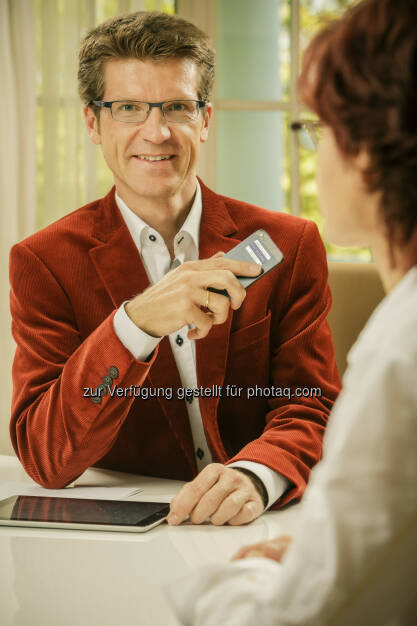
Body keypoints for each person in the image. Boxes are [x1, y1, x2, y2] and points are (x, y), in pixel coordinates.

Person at [9, 11, 340, 527]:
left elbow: (311, 405)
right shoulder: (44, 262)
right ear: (93, 123)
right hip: (126, 543)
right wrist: (134, 325)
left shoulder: (290, 245)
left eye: (178, 107)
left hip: (261, 523)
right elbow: (45, 456)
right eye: (128, 108)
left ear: (205, 119)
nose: (156, 131)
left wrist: (257, 474)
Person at [166, 0, 417, 621]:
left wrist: (243, 570)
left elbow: (288, 620)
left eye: (320, 130)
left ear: (364, 152)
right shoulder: (41, 257)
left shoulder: (399, 346)